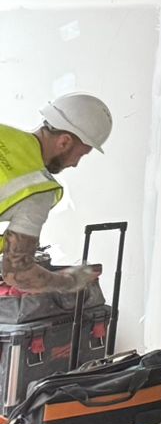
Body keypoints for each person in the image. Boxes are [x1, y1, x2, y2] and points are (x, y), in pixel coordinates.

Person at [0, 94, 114, 294]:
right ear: (64, 142)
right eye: (80, 154)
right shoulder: (37, 189)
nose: (75, 164)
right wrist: (70, 281)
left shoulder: (4, 132)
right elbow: (18, 273)